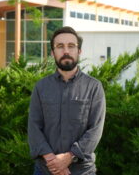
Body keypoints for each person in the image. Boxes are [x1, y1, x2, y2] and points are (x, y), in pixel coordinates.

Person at [28, 26, 106, 175]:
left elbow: (95, 130)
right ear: (52, 53)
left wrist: (69, 157)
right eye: (60, 46)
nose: (66, 51)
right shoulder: (41, 87)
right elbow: (34, 127)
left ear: (79, 51)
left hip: (82, 171)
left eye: (71, 46)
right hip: (45, 170)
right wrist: (53, 161)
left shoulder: (94, 87)